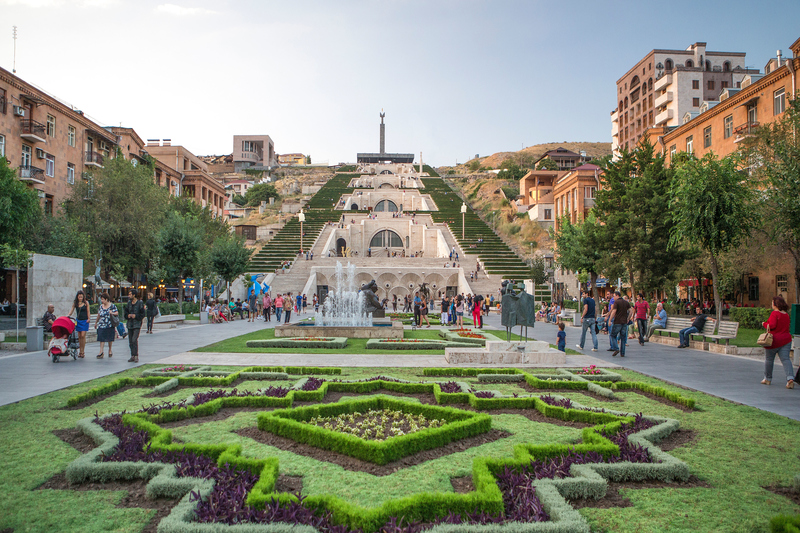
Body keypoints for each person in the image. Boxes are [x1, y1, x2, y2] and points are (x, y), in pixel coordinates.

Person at [760, 295, 795, 389]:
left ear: (775, 304)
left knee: (769, 360)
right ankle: (790, 378)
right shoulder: (786, 315)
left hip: (774, 341)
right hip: (786, 340)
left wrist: (764, 324)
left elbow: (772, 325)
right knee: (786, 360)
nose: (771, 304)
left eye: (772, 302)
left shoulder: (775, 314)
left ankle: (767, 378)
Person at [608, 291, 633, 357]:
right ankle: (622, 353)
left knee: (613, 335)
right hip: (624, 322)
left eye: (614, 296)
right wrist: (628, 318)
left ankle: (616, 348)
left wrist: (610, 320)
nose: (613, 298)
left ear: (617, 295)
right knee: (623, 338)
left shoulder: (616, 302)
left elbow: (614, 311)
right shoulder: (626, 302)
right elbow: (631, 311)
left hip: (617, 322)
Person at [124, 289, 145, 363]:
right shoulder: (128, 304)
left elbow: (142, 314)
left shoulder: (140, 303)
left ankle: (136, 355)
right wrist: (128, 315)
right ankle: (132, 355)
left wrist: (136, 316)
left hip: (137, 324)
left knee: (134, 339)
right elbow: (125, 314)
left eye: (130, 294)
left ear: (134, 295)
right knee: (130, 341)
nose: (129, 296)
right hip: (130, 324)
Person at [94, 293, 118, 358]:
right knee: (101, 338)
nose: (102, 301)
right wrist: (96, 322)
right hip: (102, 324)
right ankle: (101, 351)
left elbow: (116, 313)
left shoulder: (112, 306)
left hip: (109, 324)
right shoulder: (101, 306)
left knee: (109, 338)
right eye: (101, 299)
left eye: (103, 299)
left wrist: (112, 313)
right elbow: (99, 314)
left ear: (106, 299)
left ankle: (110, 350)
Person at [68, 290, 90, 358]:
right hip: (78, 320)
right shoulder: (75, 303)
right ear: (77, 297)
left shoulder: (86, 303)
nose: (80, 297)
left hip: (85, 321)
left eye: (81, 296)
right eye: (79, 296)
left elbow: (88, 311)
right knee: (79, 336)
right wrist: (68, 315)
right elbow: (71, 310)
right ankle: (80, 351)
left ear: (83, 296)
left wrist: (89, 318)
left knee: (83, 335)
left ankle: (83, 351)